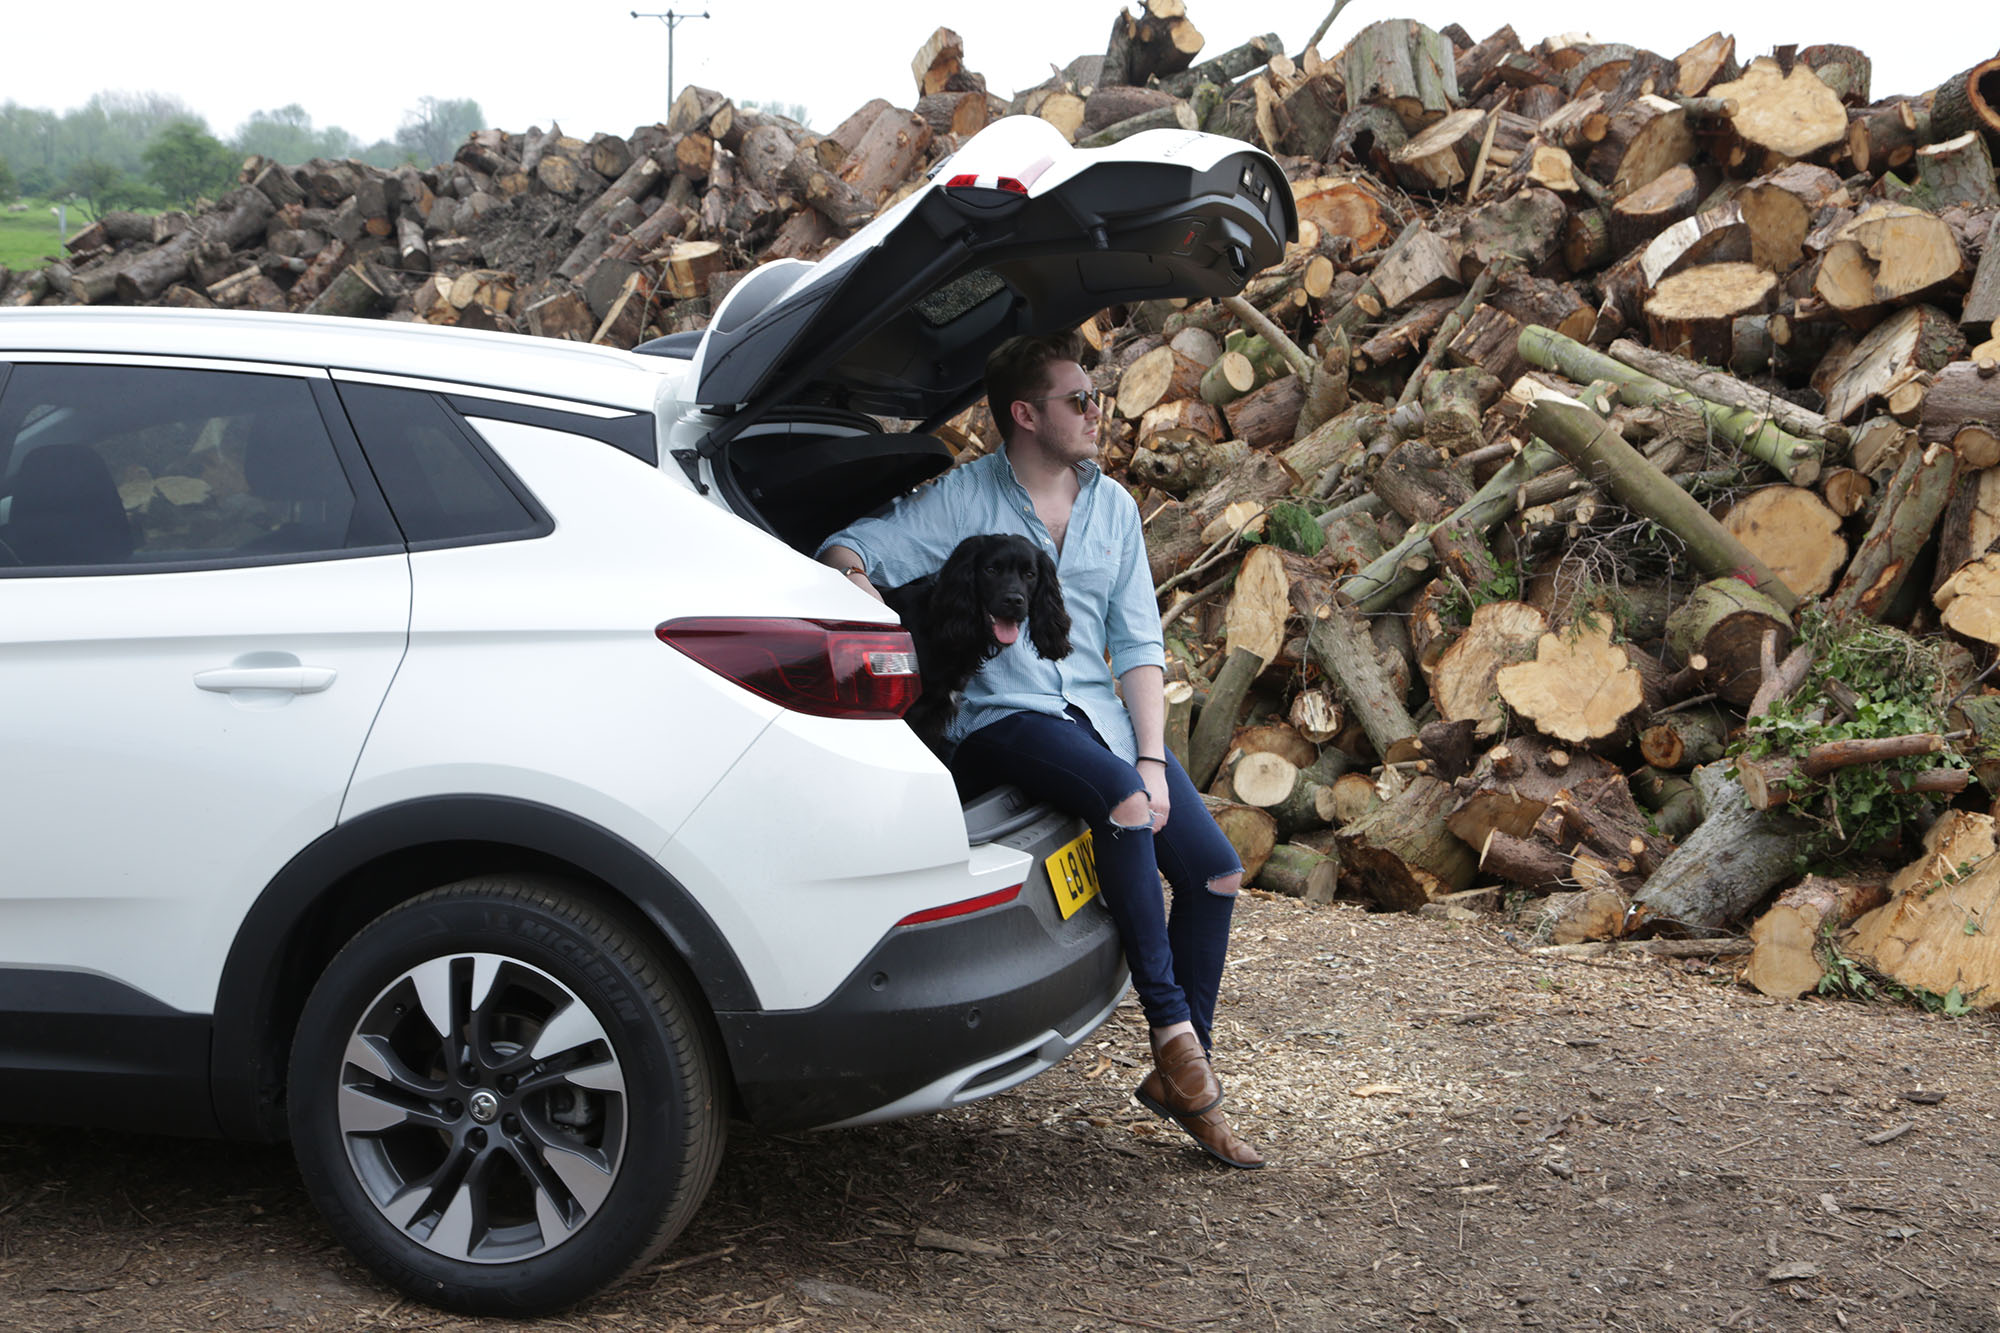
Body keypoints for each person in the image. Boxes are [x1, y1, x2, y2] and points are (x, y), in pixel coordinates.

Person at [818, 333, 1262, 1169]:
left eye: (1096, 397)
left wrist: (1155, 758)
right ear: (1026, 414)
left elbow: (1137, 645)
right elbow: (851, 546)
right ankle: (1172, 1035)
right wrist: (860, 589)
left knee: (1215, 871)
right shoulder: (965, 497)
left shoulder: (1116, 508)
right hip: (1003, 717)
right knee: (1125, 807)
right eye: (1079, 400)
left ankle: (1179, 1074)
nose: (1098, 412)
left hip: (1098, 717)